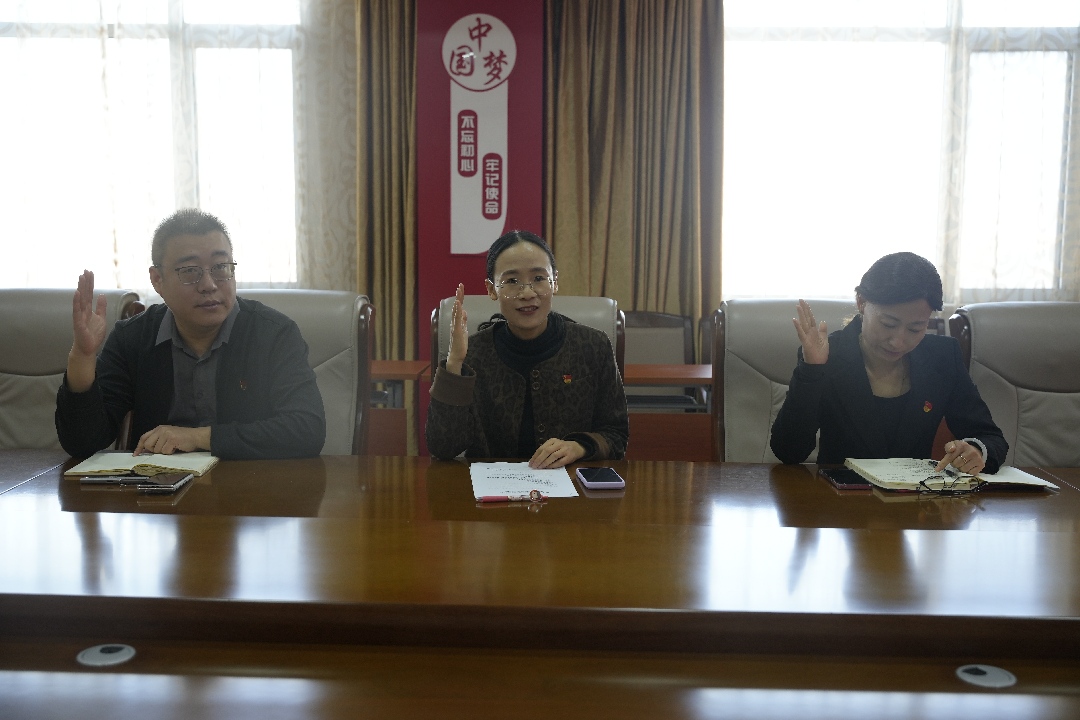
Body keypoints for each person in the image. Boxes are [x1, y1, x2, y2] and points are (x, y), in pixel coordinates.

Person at [55, 208, 326, 460]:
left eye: (220, 268)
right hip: (156, 489)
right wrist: (82, 356)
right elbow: (83, 443)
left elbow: (307, 429)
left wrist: (198, 438)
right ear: (157, 280)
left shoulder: (274, 334)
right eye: (190, 272)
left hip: (248, 488)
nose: (208, 285)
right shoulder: (133, 338)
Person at [769, 251, 1007, 475]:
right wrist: (812, 370)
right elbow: (788, 451)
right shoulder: (829, 354)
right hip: (841, 497)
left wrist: (976, 450)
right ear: (861, 302)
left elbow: (990, 437)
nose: (898, 341)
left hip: (915, 500)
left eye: (915, 328)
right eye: (889, 324)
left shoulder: (942, 357)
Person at [426, 230, 629, 468]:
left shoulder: (593, 346)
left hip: (571, 486)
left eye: (539, 278)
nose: (527, 293)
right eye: (512, 281)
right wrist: (454, 363)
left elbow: (617, 436)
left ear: (554, 282)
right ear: (491, 290)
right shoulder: (474, 353)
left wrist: (580, 447)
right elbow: (442, 448)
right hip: (491, 489)